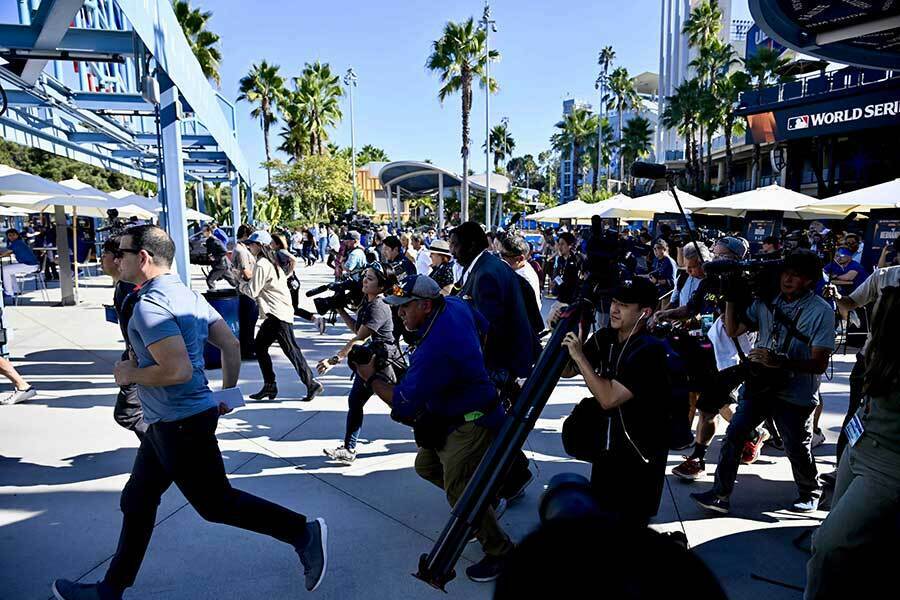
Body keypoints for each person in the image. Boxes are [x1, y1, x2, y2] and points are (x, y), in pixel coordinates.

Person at [51, 225, 328, 599]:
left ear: (143, 258)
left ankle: (302, 531)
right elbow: (230, 343)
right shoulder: (184, 293)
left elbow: (177, 370)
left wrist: (128, 373)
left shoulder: (150, 307)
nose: (118, 259)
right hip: (173, 421)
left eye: (124, 252)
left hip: (180, 424)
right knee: (137, 500)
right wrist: (229, 393)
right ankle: (110, 590)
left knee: (216, 504)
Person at [353, 275, 514, 582]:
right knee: (426, 466)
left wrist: (370, 377)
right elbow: (484, 327)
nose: (399, 314)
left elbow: (402, 403)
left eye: (404, 308)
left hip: (471, 422)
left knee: (458, 490)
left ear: (426, 305)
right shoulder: (452, 304)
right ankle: (484, 507)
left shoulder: (436, 348)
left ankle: (500, 550)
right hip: (456, 413)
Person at [692, 250, 835, 515]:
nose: (789, 279)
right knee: (734, 435)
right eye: (786, 272)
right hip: (760, 385)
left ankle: (810, 491)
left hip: (796, 392)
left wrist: (779, 362)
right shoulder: (767, 301)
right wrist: (732, 298)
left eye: (797, 275)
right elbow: (733, 330)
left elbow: (819, 364)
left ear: (810, 280)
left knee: (796, 446)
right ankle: (720, 494)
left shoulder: (821, 312)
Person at [804, 287, 900, 600]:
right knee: (839, 537)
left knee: (828, 544)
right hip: (861, 443)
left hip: (888, 464)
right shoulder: (880, 342)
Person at [559, 278, 671, 526]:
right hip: (608, 450)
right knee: (602, 515)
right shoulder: (607, 337)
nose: (614, 309)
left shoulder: (649, 350)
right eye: (613, 301)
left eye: (624, 304)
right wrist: (562, 330)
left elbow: (608, 398)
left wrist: (580, 357)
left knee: (628, 526)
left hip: (639, 458)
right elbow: (567, 370)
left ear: (645, 312)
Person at [451, 222, 540, 503]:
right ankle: (516, 474)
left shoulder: (487, 272)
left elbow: (487, 328)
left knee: (485, 426)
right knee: (493, 425)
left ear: (470, 245)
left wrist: (472, 366)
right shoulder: (486, 266)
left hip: (498, 364)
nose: (451, 250)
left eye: (454, 244)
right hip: (503, 361)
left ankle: (508, 481)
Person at [654, 240, 755, 480]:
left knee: (712, 407)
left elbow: (734, 328)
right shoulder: (710, 281)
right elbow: (691, 308)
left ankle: (742, 439)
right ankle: (701, 457)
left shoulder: (747, 285)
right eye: (713, 255)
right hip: (711, 354)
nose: (713, 261)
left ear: (734, 258)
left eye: (719, 255)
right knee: (709, 407)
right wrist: (665, 313)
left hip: (734, 358)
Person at [318, 263, 401, 463]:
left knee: (399, 407)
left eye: (370, 278)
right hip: (370, 361)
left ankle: (430, 439)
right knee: (355, 401)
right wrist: (339, 309)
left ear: (381, 287)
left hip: (383, 363)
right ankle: (349, 449)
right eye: (365, 276)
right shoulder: (369, 302)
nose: (364, 280)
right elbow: (359, 329)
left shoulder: (379, 306)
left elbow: (360, 338)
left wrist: (334, 359)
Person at [239, 231, 323, 403]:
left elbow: (252, 291)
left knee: (291, 351)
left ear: (260, 245)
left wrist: (240, 283)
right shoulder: (272, 262)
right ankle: (270, 385)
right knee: (261, 347)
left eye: (252, 244)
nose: (249, 247)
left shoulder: (262, 264)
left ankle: (311, 383)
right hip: (277, 313)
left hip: (278, 315)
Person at [98, 238, 146, 435]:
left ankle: (166, 453)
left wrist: (134, 363)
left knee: (129, 413)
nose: (102, 260)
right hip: (134, 359)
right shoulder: (123, 286)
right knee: (132, 413)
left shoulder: (133, 290)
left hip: (141, 361)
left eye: (105, 255)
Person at [499, 234, 541, 312]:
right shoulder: (516, 270)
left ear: (520, 258)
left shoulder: (524, 278)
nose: (501, 260)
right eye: (501, 254)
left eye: (505, 256)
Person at [1, 228, 40, 299]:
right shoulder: (18, 242)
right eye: (10, 235)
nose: (12, 237)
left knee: (4, 270)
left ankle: (9, 292)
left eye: (13, 235)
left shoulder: (17, 243)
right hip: (32, 265)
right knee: (9, 270)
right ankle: (15, 290)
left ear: (17, 235)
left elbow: (5, 253)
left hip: (29, 265)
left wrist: (2, 254)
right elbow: (8, 252)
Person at [551, 232, 582, 304]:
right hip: (561, 298)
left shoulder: (576, 260)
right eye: (559, 244)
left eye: (562, 244)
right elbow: (558, 276)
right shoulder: (560, 259)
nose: (559, 247)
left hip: (572, 301)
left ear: (570, 245)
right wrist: (554, 282)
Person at [201, 225, 233, 290]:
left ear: (209, 231)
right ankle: (242, 291)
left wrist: (215, 258)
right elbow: (212, 249)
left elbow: (224, 251)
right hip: (220, 266)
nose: (203, 232)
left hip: (221, 266)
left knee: (209, 280)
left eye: (204, 231)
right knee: (233, 282)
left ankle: (213, 295)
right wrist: (206, 246)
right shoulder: (209, 241)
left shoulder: (215, 240)